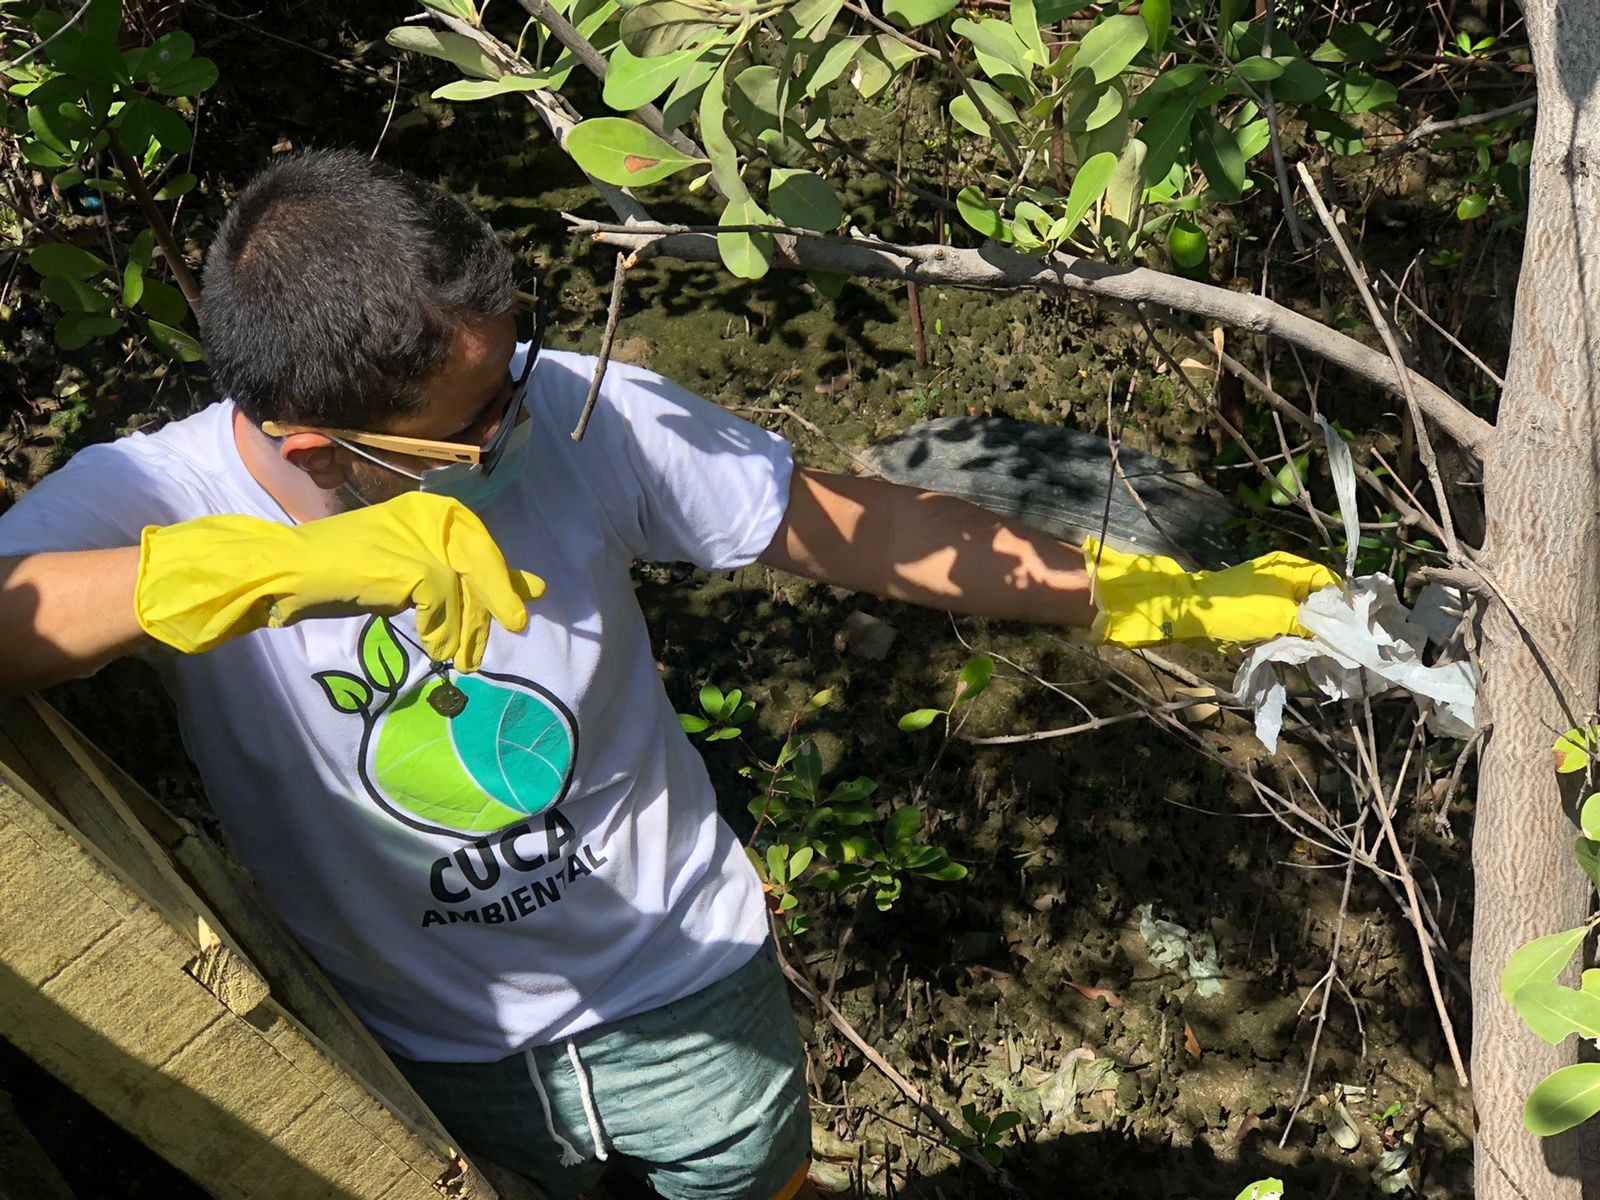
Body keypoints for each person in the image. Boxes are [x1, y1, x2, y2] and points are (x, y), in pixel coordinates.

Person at [0, 149, 1334, 1200]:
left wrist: (1140, 589)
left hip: (683, 982)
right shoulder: (151, 493)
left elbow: (853, 529)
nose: (520, 419)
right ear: (313, 447)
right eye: (469, 431)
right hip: (416, 1035)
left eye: (514, 363)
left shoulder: (571, 415)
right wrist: (245, 575)